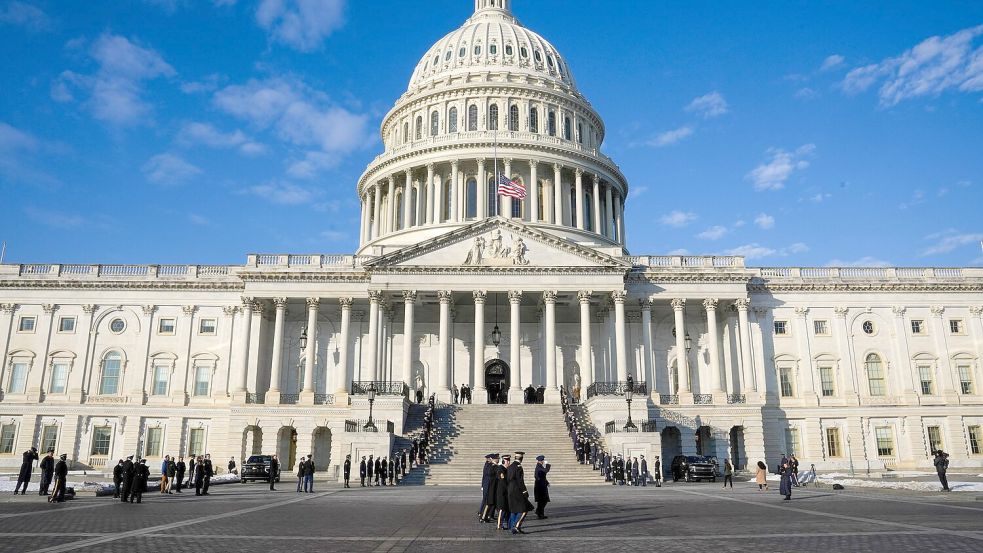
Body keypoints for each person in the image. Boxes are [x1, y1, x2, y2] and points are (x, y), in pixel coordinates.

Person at [507, 452, 534, 534]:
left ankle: (512, 527)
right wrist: (525, 491)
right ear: (521, 459)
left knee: (514, 509)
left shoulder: (510, 466)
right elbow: (520, 481)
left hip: (510, 490)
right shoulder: (519, 467)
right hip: (517, 491)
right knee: (524, 509)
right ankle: (516, 526)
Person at [494, 455, 511, 530]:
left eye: (509, 460)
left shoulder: (507, 469)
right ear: (504, 461)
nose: (509, 462)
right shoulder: (501, 469)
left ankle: (506, 523)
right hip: (502, 492)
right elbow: (503, 481)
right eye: (507, 461)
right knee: (502, 508)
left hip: (506, 492)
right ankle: (499, 525)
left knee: (506, 508)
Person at [533, 455, 550, 519]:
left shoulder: (539, 466)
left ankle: (540, 513)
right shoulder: (539, 466)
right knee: (542, 501)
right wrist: (547, 464)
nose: (543, 461)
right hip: (540, 487)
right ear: (541, 461)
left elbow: (543, 476)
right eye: (543, 460)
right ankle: (539, 512)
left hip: (541, 485)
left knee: (542, 501)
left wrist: (547, 482)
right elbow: (545, 471)